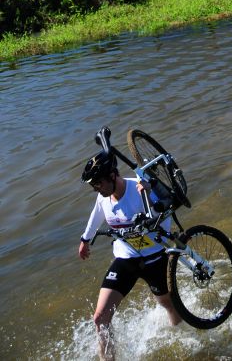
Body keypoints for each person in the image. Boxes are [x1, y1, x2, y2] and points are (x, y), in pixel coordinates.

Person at [78, 150, 181, 360]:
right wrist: (85, 239)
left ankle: (182, 338)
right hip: (125, 259)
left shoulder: (140, 187)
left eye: (99, 183)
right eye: (93, 185)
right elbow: (96, 215)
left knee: (167, 304)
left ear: (113, 175)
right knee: (100, 318)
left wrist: (151, 199)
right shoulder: (103, 197)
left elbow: (164, 216)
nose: (96, 188)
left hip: (154, 257)